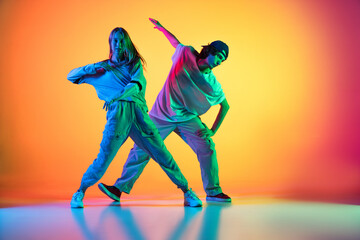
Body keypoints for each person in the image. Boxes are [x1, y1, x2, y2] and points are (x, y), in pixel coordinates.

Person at [67, 27, 202, 208]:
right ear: (110, 42)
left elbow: (136, 85)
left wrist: (118, 96)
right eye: (115, 40)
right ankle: (80, 192)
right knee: (103, 158)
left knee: (162, 153)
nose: (118, 44)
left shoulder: (134, 64)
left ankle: (187, 192)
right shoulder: (103, 68)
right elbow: (71, 76)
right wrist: (92, 68)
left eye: (122, 40)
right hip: (118, 117)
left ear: (127, 43)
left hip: (139, 116)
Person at [101, 19, 231, 203]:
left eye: (223, 60)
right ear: (210, 51)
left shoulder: (212, 83)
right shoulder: (186, 54)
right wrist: (162, 29)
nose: (220, 62)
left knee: (207, 147)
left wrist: (212, 130)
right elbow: (175, 42)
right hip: (160, 114)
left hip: (187, 118)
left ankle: (213, 191)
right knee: (141, 149)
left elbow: (225, 106)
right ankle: (118, 188)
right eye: (219, 56)